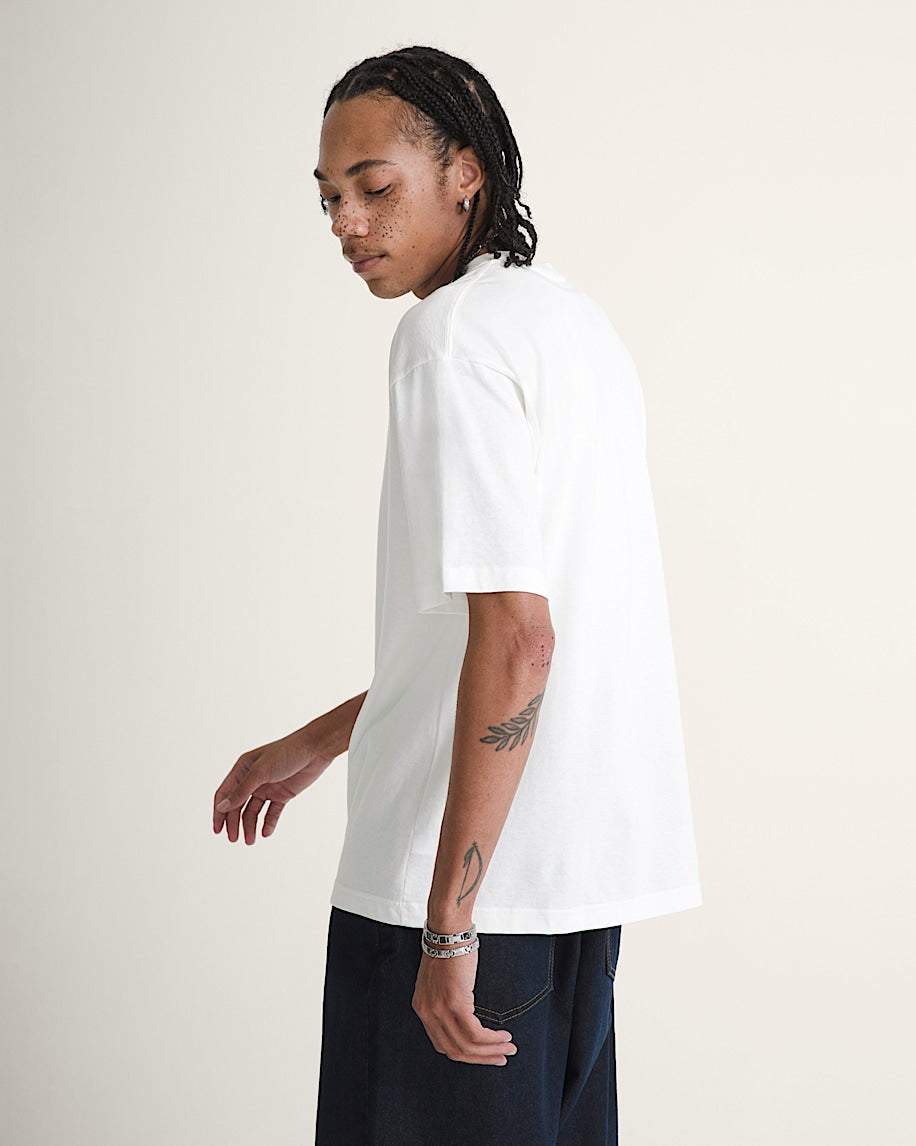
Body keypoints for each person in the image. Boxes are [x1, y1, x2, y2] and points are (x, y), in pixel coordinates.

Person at [212, 45, 702, 1146]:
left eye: (375, 187)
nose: (347, 222)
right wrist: (322, 738)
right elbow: (500, 636)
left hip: (461, 902)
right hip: (571, 897)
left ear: (465, 173)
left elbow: (520, 640)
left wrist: (447, 929)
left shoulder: (446, 342)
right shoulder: (569, 326)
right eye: (328, 197)